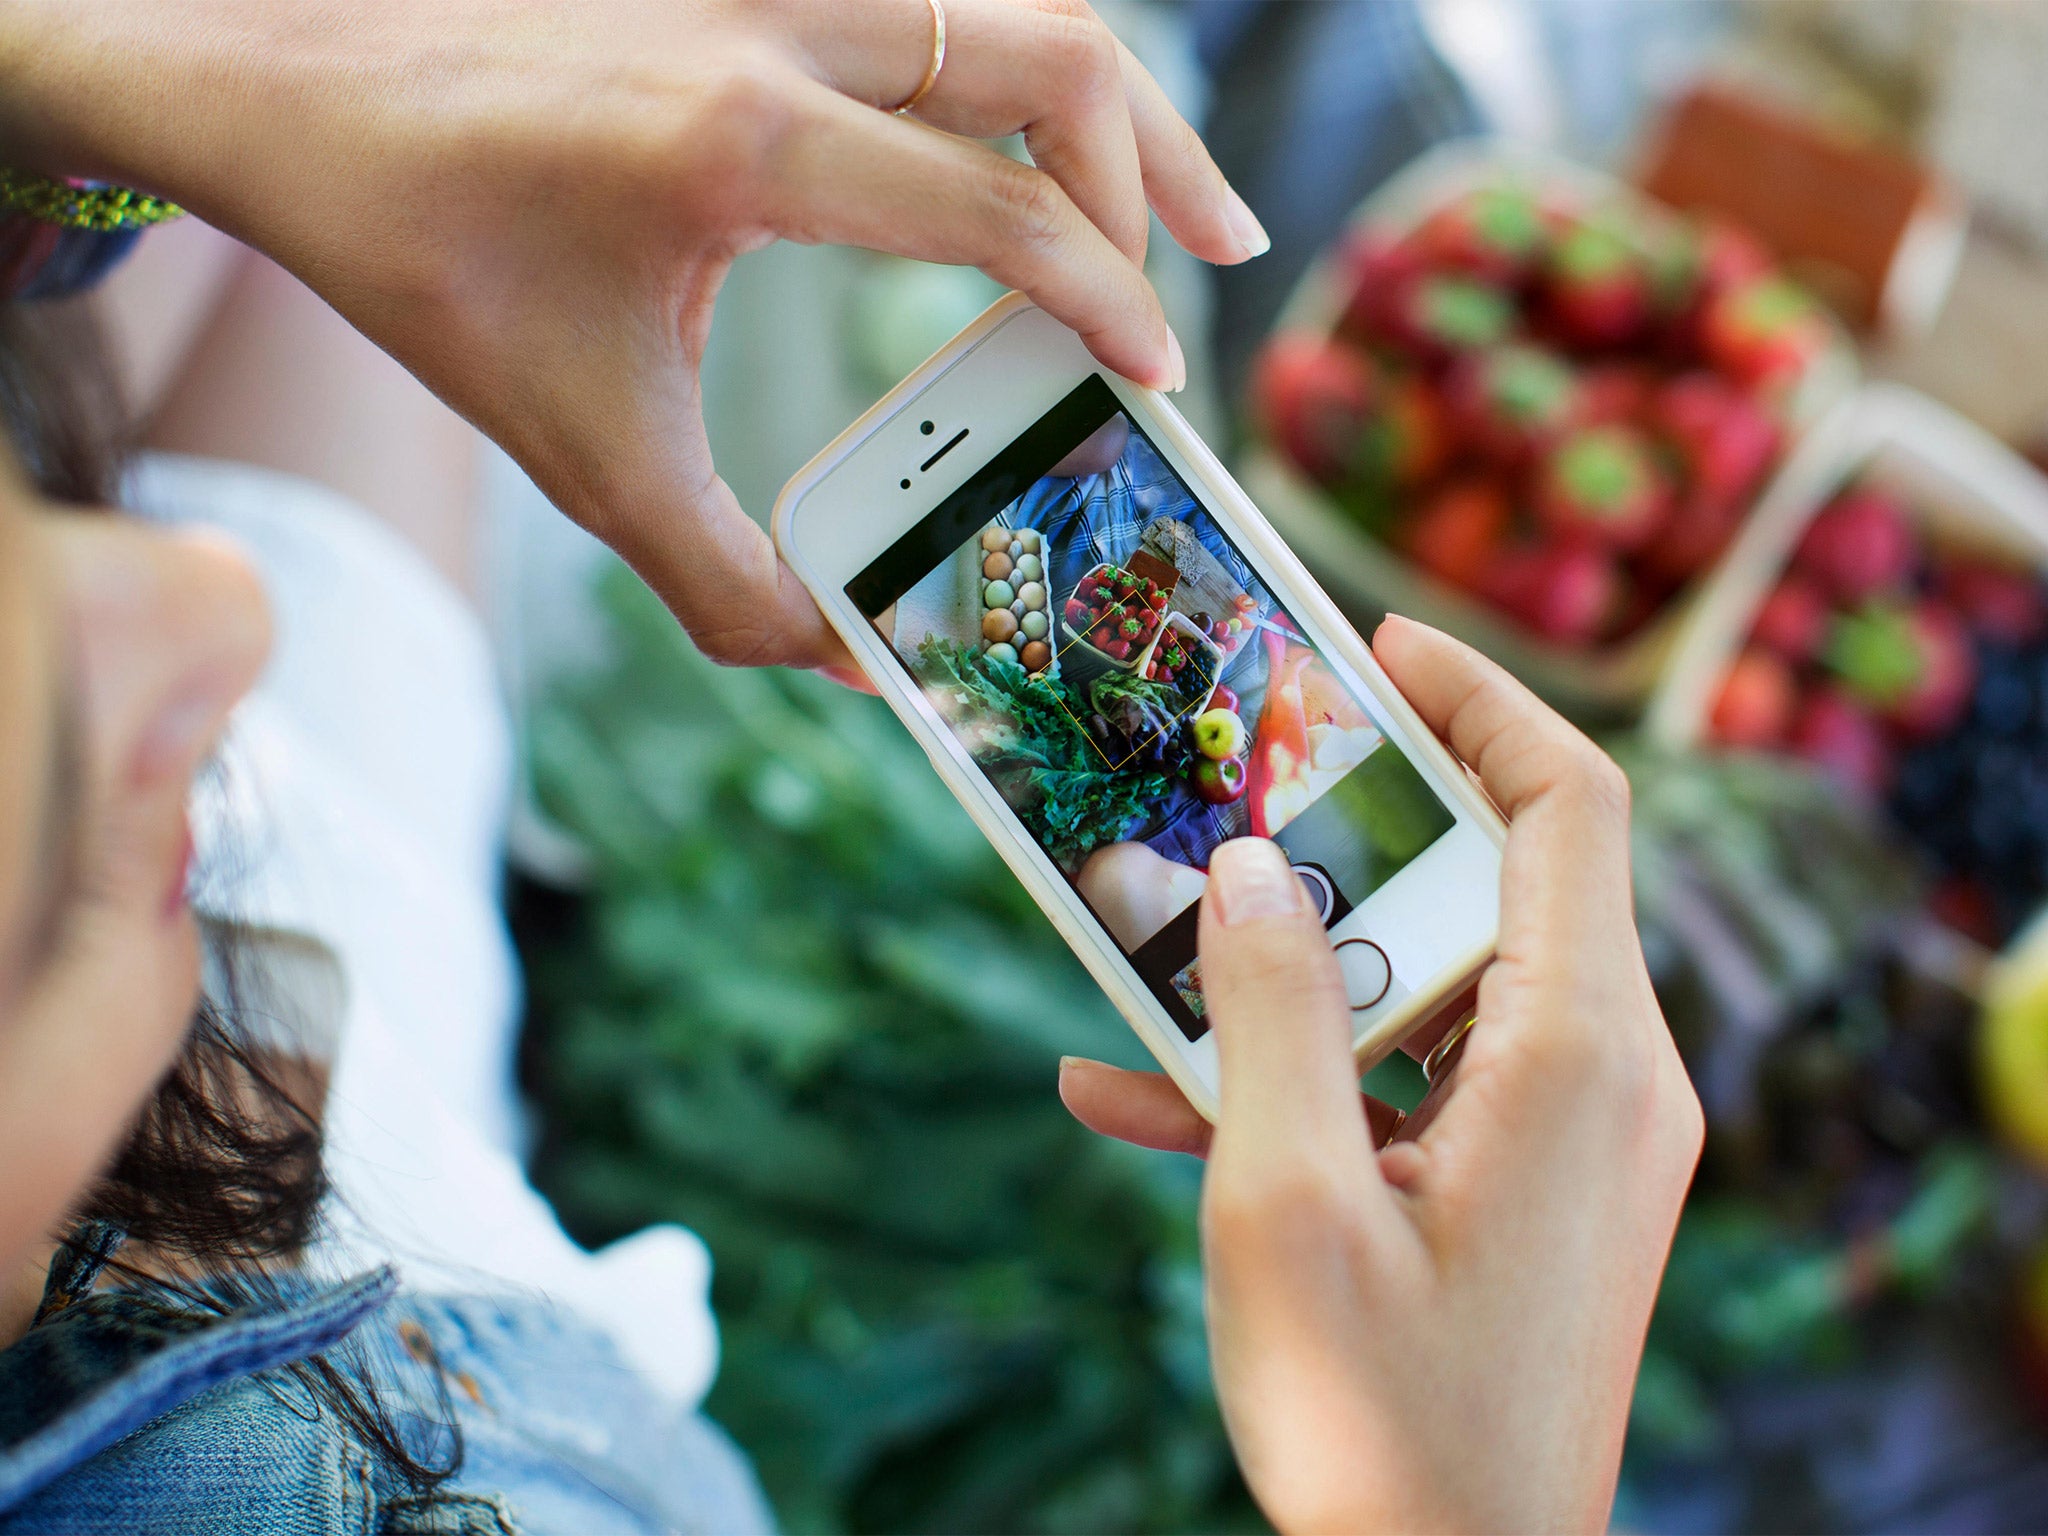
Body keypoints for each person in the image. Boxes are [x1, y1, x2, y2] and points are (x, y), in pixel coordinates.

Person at [0, 1, 1703, 1530]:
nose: (204, 606)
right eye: (46, 844)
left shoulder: (148, 889)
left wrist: (156, 70)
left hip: (318, 1020)